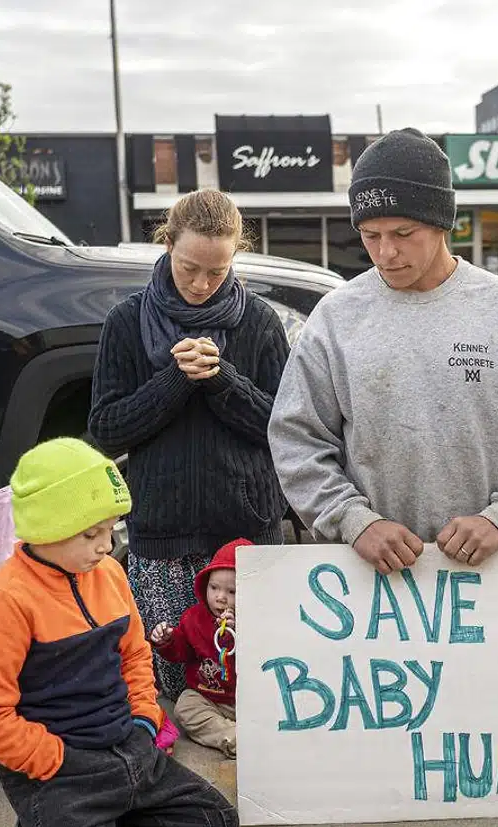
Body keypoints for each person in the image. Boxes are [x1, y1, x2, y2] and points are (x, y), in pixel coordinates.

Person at [268, 128, 498, 572]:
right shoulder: (336, 318)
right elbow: (296, 438)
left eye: (403, 232)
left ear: (441, 222)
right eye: (369, 235)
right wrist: (353, 520)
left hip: (492, 576)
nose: (385, 253)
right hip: (369, 582)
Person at [0, 438, 237, 827]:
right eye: (90, 533)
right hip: (59, 768)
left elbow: (133, 654)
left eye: (110, 530)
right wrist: (52, 760)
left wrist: (146, 720)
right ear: (46, 527)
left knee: (215, 826)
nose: (106, 545)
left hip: (127, 747)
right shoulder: (3, 601)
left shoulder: (108, 573)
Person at [88, 189, 289, 703]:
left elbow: (285, 427)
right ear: (167, 244)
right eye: (188, 267)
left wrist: (222, 379)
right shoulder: (126, 323)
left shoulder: (260, 323)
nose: (201, 283)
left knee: (255, 689)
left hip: (244, 535)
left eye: (217, 272)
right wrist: (173, 381)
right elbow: (108, 429)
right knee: (173, 691)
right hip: (162, 540)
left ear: (235, 257)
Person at [148, 538, 248, 759]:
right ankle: (235, 738)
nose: (220, 597)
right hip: (208, 697)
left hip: (248, 699)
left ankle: (249, 735)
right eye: (214, 587)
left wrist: (242, 631)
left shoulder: (258, 618)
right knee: (185, 707)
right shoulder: (194, 618)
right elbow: (181, 652)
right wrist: (167, 640)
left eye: (232, 591)